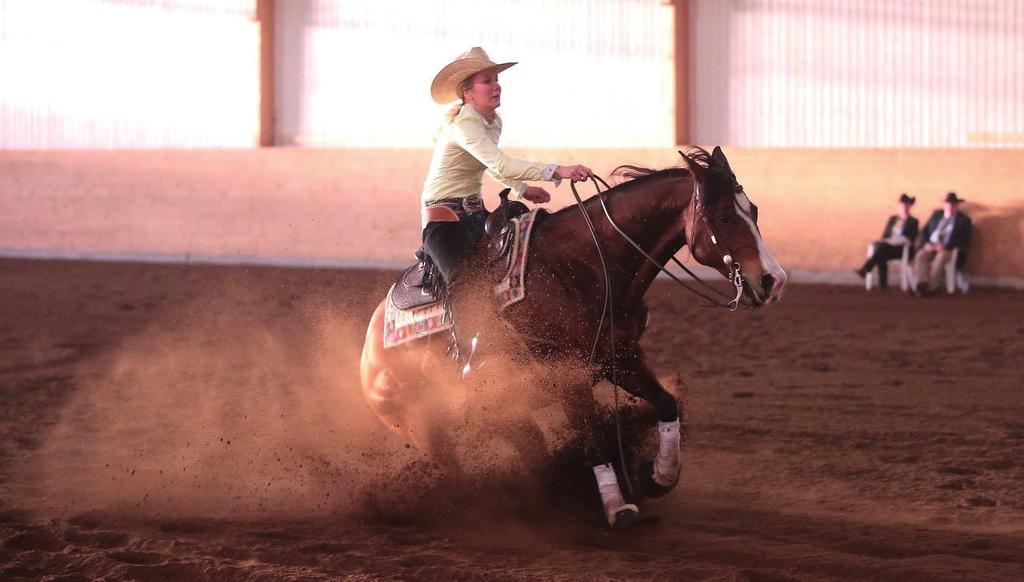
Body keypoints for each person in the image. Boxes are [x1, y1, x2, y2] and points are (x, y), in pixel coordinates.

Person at [421, 47, 593, 360]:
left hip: (473, 215)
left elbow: (488, 164)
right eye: (487, 81)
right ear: (468, 93)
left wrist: (522, 189)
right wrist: (557, 170)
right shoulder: (464, 125)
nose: (496, 86)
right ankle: (469, 355)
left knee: (526, 249)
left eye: (496, 79)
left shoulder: (492, 122)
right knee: (462, 277)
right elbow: (499, 163)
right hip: (444, 221)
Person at [855, 193, 919, 289]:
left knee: (881, 250)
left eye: (906, 205)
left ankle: (866, 269)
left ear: (910, 206)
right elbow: (885, 235)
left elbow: (911, 239)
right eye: (902, 205)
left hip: (901, 249)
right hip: (888, 247)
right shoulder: (893, 219)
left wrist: (895, 241)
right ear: (899, 206)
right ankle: (881, 284)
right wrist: (888, 241)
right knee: (881, 252)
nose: (904, 207)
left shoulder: (913, 221)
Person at [912, 192, 972, 295]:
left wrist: (946, 246)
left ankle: (930, 287)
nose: (950, 207)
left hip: (947, 248)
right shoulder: (936, 215)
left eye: (953, 205)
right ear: (944, 205)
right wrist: (926, 243)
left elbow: (965, 239)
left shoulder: (964, 220)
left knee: (940, 258)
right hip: (932, 245)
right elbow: (924, 231)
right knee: (920, 256)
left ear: (957, 206)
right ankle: (922, 284)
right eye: (948, 204)